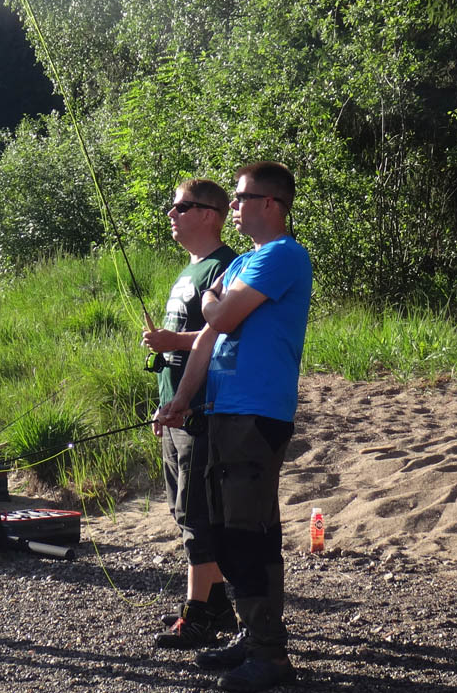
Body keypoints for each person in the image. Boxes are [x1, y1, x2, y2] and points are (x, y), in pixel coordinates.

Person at [157, 162, 311, 692]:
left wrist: (210, 300)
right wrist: (179, 400)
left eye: (243, 198)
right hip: (222, 411)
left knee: (248, 531)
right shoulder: (245, 260)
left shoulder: (283, 255)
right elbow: (205, 341)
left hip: (256, 411)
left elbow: (218, 319)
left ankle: (269, 653)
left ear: (271, 204)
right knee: (226, 526)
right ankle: (252, 632)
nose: (235, 206)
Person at [143, 179, 237, 649]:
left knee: (197, 513)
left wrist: (171, 341)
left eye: (180, 207)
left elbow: (223, 336)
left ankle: (197, 614)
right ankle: (215, 599)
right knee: (182, 510)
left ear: (208, 214)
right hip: (173, 408)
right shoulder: (188, 271)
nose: (171, 214)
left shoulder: (226, 268)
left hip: (201, 411)